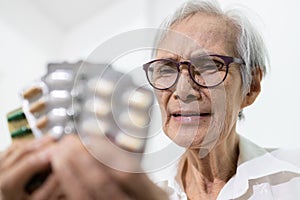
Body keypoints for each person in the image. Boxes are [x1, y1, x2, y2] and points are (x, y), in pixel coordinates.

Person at [1, 0, 300, 199]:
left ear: (251, 86)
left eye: (209, 66)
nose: (183, 90)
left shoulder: (294, 177)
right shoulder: (143, 188)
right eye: (166, 69)